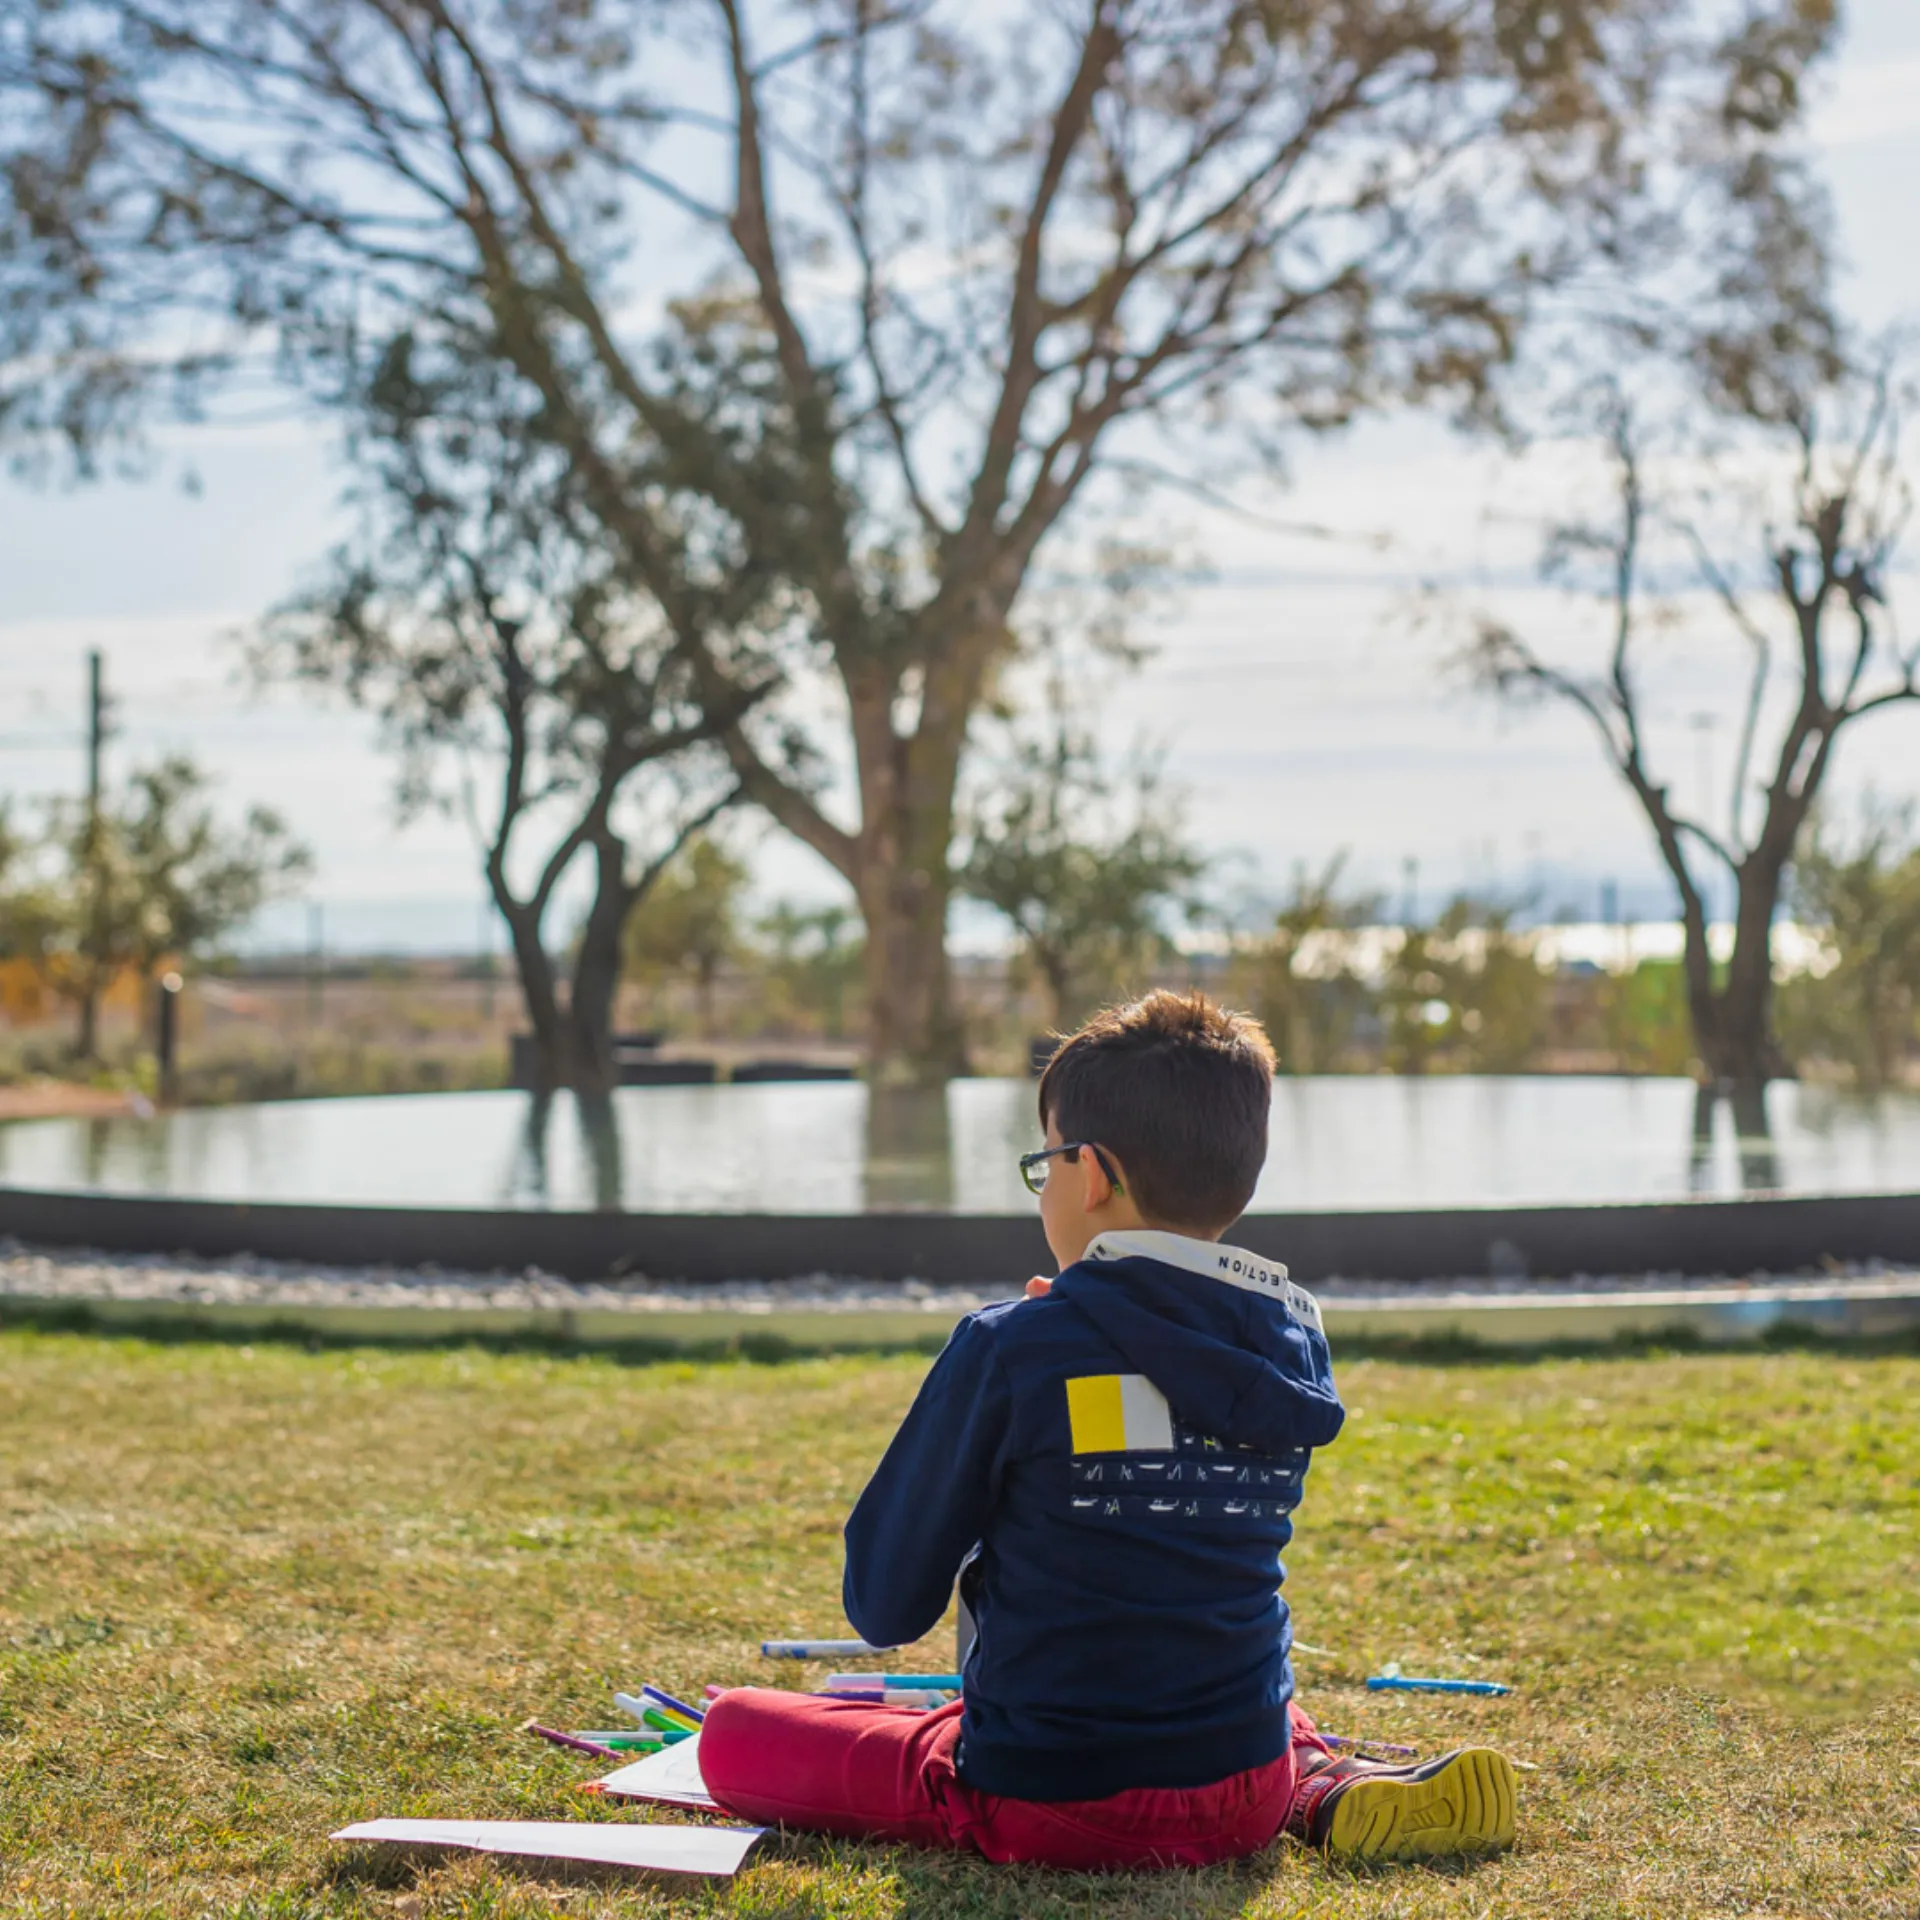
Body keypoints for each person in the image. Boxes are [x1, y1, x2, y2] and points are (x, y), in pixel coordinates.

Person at [701, 989, 1516, 1869]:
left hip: (1047, 1797)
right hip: (1243, 1792)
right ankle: (1320, 1780)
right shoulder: (1293, 1341)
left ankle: (1301, 1772)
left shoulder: (1014, 1347)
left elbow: (885, 1604)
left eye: (1043, 1163)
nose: (1043, 1186)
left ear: (1090, 1171)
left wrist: (1021, 1360)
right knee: (1220, 1656)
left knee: (732, 1732)